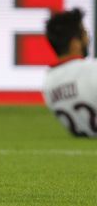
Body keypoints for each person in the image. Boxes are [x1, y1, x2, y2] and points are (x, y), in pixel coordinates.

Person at [41, 8, 97, 137]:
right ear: (75, 44)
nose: (88, 38)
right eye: (84, 34)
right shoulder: (91, 69)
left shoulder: (48, 84)